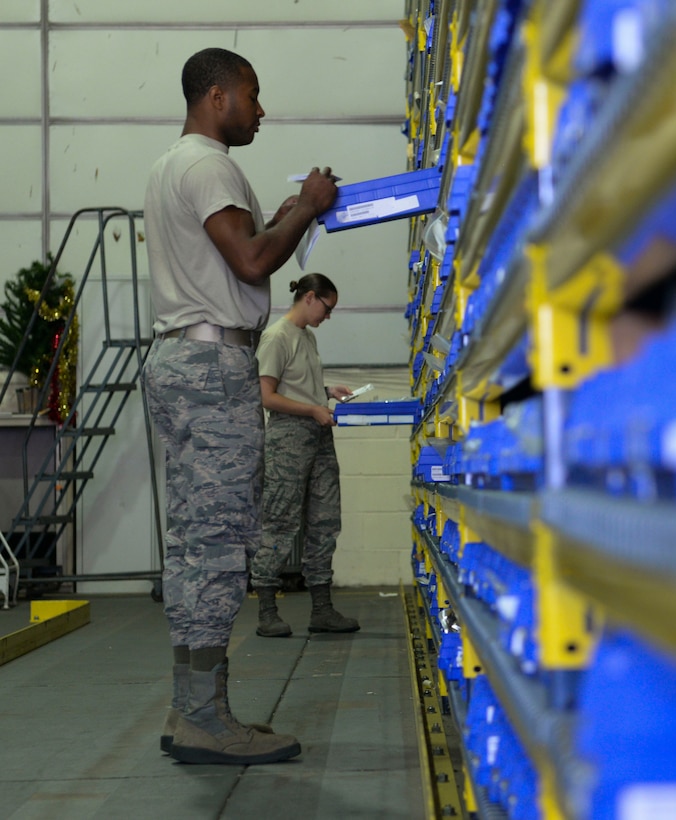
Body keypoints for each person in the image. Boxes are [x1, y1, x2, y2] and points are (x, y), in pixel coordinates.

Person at [141, 46, 338, 765]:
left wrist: (288, 217)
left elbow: (246, 249)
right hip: (209, 360)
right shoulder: (209, 165)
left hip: (183, 355)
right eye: (253, 96)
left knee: (197, 535)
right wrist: (311, 207)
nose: (261, 109)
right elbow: (251, 263)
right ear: (217, 96)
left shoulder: (174, 165)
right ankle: (202, 716)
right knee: (219, 540)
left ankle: (193, 707)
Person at [251, 273, 360, 637]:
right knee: (280, 522)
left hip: (318, 436)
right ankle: (266, 609)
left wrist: (325, 391)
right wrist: (312, 409)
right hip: (288, 439)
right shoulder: (276, 337)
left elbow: (296, 384)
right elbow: (266, 396)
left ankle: (322, 609)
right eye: (327, 308)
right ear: (310, 297)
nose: (327, 316)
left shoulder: (307, 338)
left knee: (325, 521)